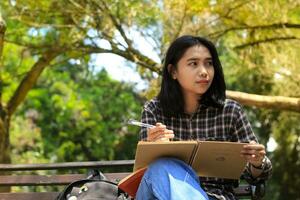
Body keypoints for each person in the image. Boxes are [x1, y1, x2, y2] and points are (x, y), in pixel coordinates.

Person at [136, 35, 272, 200]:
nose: (204, 71)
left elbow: (257, 176)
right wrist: (153, 147)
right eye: (193, 64)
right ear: (173, 71)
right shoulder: (154, 110)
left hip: (216, 196)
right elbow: (145, 175)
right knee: (160, 167)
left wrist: (257, 162)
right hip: (158, 194)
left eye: (209, 63)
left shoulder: (230, 111)